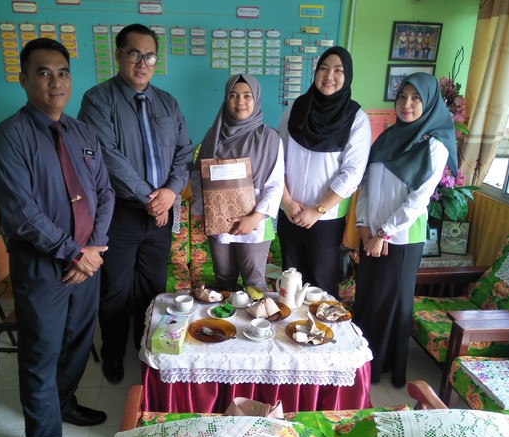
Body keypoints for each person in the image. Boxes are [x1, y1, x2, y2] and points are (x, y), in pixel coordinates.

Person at [0, 38, 115, 437]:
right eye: (43, 73)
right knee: (41, 357)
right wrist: (74, 253)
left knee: (78, 343)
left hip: (87, 264)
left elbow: (104, 192)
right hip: (43, 269)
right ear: (24, 80)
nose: (55, 82)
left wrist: (94, 249)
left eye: (62, 73)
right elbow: (21, 214)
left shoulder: (82, 132)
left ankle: (64, 402)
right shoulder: (9, 136)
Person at [78, 23, 193, 384]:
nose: (142, 63)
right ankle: (113, 354)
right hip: (119, 213)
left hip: (161, 213)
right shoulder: (98, 100)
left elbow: (184, 152)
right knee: (115, 289)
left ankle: (145, 350)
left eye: (150, 56)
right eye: (134, 54)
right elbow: (106, 156)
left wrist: (170, 192)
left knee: (152, 288)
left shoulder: (167, 102)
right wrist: (150, 198)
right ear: (118, 55)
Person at [354, 72, 457, 387]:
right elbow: (367, 185)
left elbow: (418, 200)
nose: (406, 104)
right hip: (371, 234)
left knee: (389, 303)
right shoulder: (387, 138)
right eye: (402, 97)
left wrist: (383, 233)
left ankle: (382, 367)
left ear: (429, 103)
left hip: (400, 239)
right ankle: (361, 362)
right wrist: (363, 225)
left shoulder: (434, 147)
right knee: (368, 298)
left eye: (415, 98)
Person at [278, 46, 371, 298]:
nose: (329, 76)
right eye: (324, 68)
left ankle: (323, 325)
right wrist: (287, 202)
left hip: (326, 219)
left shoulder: (356, 118)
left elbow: (352, 173)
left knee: (321, 286)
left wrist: (317, 210)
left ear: (347, 76)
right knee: (290, 284)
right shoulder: (296, 108)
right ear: (316, 72)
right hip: (289, 212)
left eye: (338, 71)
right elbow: (278, 160)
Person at [190, 74, 284, 291]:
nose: (240, 101)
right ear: (226, 99)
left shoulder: (269, 138)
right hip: (219, 220)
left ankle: (256, 316)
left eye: (247, 96)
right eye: (233, 95)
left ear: (256, 99)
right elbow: (197, 176)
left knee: (254, 283)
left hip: (255, 222)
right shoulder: (213, 135)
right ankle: (226, 315)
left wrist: (253, 218)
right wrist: (207, 210)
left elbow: (275, 183)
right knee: (223, 280)